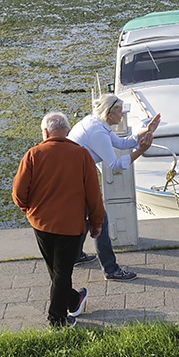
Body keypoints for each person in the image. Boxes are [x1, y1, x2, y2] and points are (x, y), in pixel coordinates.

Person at [12, 112, 105, 328]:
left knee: (57, 270)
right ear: (68, 132)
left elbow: (18, 192)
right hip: (71, 225)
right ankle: (58, 318)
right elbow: (94, 194)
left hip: (41, 223)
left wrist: (29, 209)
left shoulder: (33, 154)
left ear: (45, 132)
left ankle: (71, 303)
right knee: (61, 271)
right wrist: (97, 223)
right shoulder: (82, 156)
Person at [68, 94, 161, 281]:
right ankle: (111, 269)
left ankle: (75, 256)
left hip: (76, 176)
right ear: (109, 113)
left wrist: (147, 130)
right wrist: (141, 151)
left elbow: (123, 142)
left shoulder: (96, 122)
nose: (122, 115)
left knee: (88, 218)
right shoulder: (98, 133)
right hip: (77, 179)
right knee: (100, 220)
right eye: (119, 111)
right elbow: (115, 166)